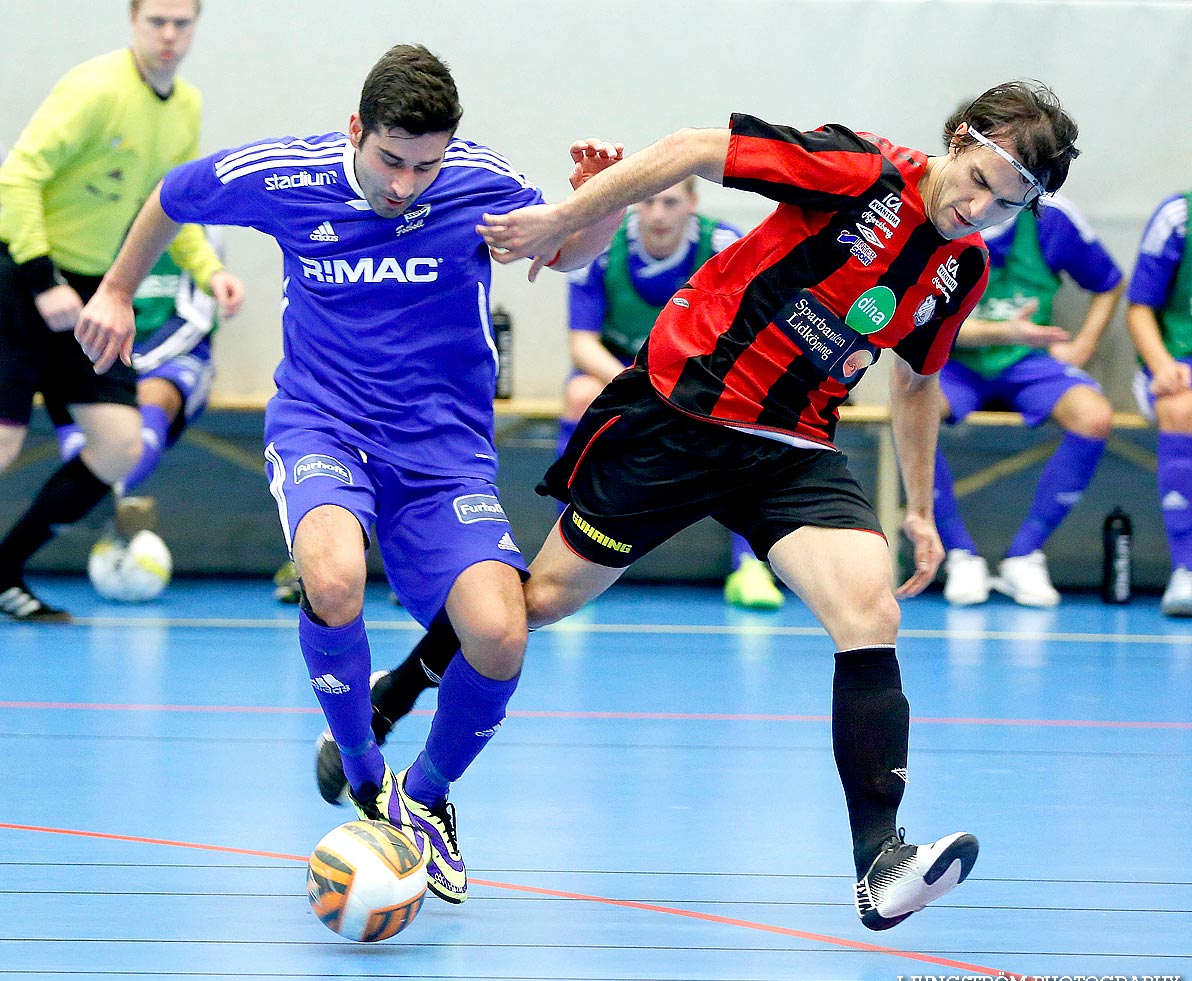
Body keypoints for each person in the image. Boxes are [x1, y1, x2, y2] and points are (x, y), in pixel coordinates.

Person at [320, 81, 1081, 931]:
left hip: (790, 445)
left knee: (869, 609)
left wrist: (920, 510)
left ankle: (880, 863)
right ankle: (395, 697)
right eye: (977, 180)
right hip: (681, 415)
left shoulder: (960, 267)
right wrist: (563, 217)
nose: (979, 210)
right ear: (958, 137)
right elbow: (690, 147)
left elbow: (917, 377)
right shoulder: (858, 170)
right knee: (532, 606)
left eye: (1007, 206)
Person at [75, 43, 624, 905]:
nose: (406, 183)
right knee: (331, 579)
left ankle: (427, 796)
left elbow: (568, 255)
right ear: (357, 130)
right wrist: (114, 290)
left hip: (443, 452)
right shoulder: (287, 177)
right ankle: (367, 775)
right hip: (322, 423)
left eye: (425, 165)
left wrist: (593, 206)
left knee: (500, 632)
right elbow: (173, 196)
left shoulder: (479, 182)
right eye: (391, 161)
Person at [0, 0, 242, 622]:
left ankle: (3, 569)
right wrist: (41, 278)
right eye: (155, 21)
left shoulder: (183, 106)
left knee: (119, 445)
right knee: (1, 444)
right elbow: (17, 178)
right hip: (26, 275)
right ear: (133, 22)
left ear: (195, 28)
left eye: (180, 23)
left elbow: (168, 207)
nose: (168, 35)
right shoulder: (94, 88)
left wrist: (210, 273)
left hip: (94, 293)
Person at [562, 178, 784, 609]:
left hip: (697, 372)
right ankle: (568, 561)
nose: (659, 214)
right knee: (578, 395)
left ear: (693, 204)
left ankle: (748, 565)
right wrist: (639, 384)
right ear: (634, 206)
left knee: (740, 416)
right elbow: (582, 343)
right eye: (649, 201)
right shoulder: (602, 246)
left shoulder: (724, 244)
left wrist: (680, 386)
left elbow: (743, 338)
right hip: (620, 369)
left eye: (671, 201)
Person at [934, 194, 1122, 607]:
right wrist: (1003, 332)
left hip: (1028, 362)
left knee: (1093, 417)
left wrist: (1082, 346)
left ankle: (1026, 554)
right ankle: (959, 555)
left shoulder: (1053, 217)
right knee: (913, 413)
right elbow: (918, 322)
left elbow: (1109, 284)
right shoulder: (935, 209)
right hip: (953, 362)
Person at [54, 236, 227, 543]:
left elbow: (196, 316)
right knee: (82, 399)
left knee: (156, 395)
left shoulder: (196, 216)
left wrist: (130, 365)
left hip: (174, 354)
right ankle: (94, 490)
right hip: (100, 348)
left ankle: (108, 491)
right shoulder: (92, 212)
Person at [1125, 190, 1192, 616]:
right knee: (1182, 408)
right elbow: (1140, 307)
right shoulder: (1178, 215)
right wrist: (1162, 364)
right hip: (1177, 361)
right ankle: (1186, 567)